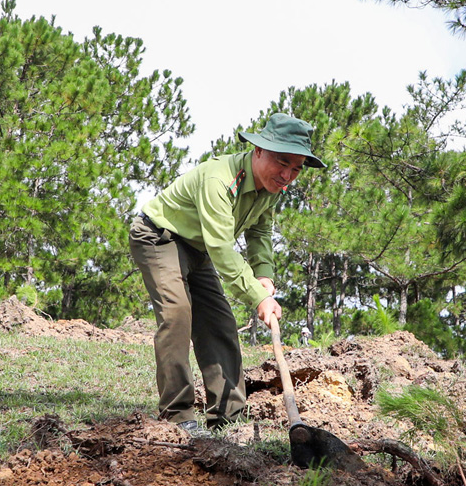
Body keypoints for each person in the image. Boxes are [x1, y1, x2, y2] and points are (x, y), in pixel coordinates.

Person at [130, 112, 323, 437]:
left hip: (198, 248)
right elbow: (221, 248)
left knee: (220, 325)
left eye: (296, 168)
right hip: (159, 237)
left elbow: (260, 232)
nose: (288, 174)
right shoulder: (220, 180)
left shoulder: (270, 187)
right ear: (259, 150)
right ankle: (178, 419)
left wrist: (263, 274)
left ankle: (229, 420)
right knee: (178, 315)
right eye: (283, 162)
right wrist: (258, 297)